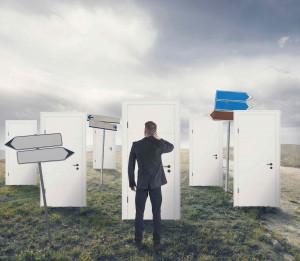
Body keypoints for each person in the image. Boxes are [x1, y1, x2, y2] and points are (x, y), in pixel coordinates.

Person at [128, 121, 174, 252]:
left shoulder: (136, 145)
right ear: (155, 132)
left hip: (141, 184)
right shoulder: (159, 145)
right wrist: (159, 139)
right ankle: (157, 243)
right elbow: (171, 147)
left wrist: (132, 182)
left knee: (139, 213)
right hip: (155, 185)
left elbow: (130, 165)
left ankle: (138, 242)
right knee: (156, 213)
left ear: (144, 130)